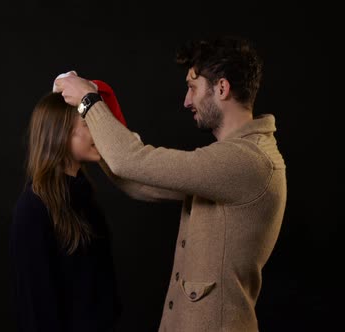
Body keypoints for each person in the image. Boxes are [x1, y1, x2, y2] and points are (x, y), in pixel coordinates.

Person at [54, 35, 287, 332]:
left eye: (192, 87)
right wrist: (99, 131)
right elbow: (139, 181)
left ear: (222, 88)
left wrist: (89, 100)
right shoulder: (230, 162)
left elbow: (131, 161)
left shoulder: (247, 162)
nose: (186, 100)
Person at [9, 91, 124, 332]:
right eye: (87, 123)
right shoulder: (33, 209)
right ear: (60, 133)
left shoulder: (84, 198)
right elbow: (35, 312)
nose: (99, 132)